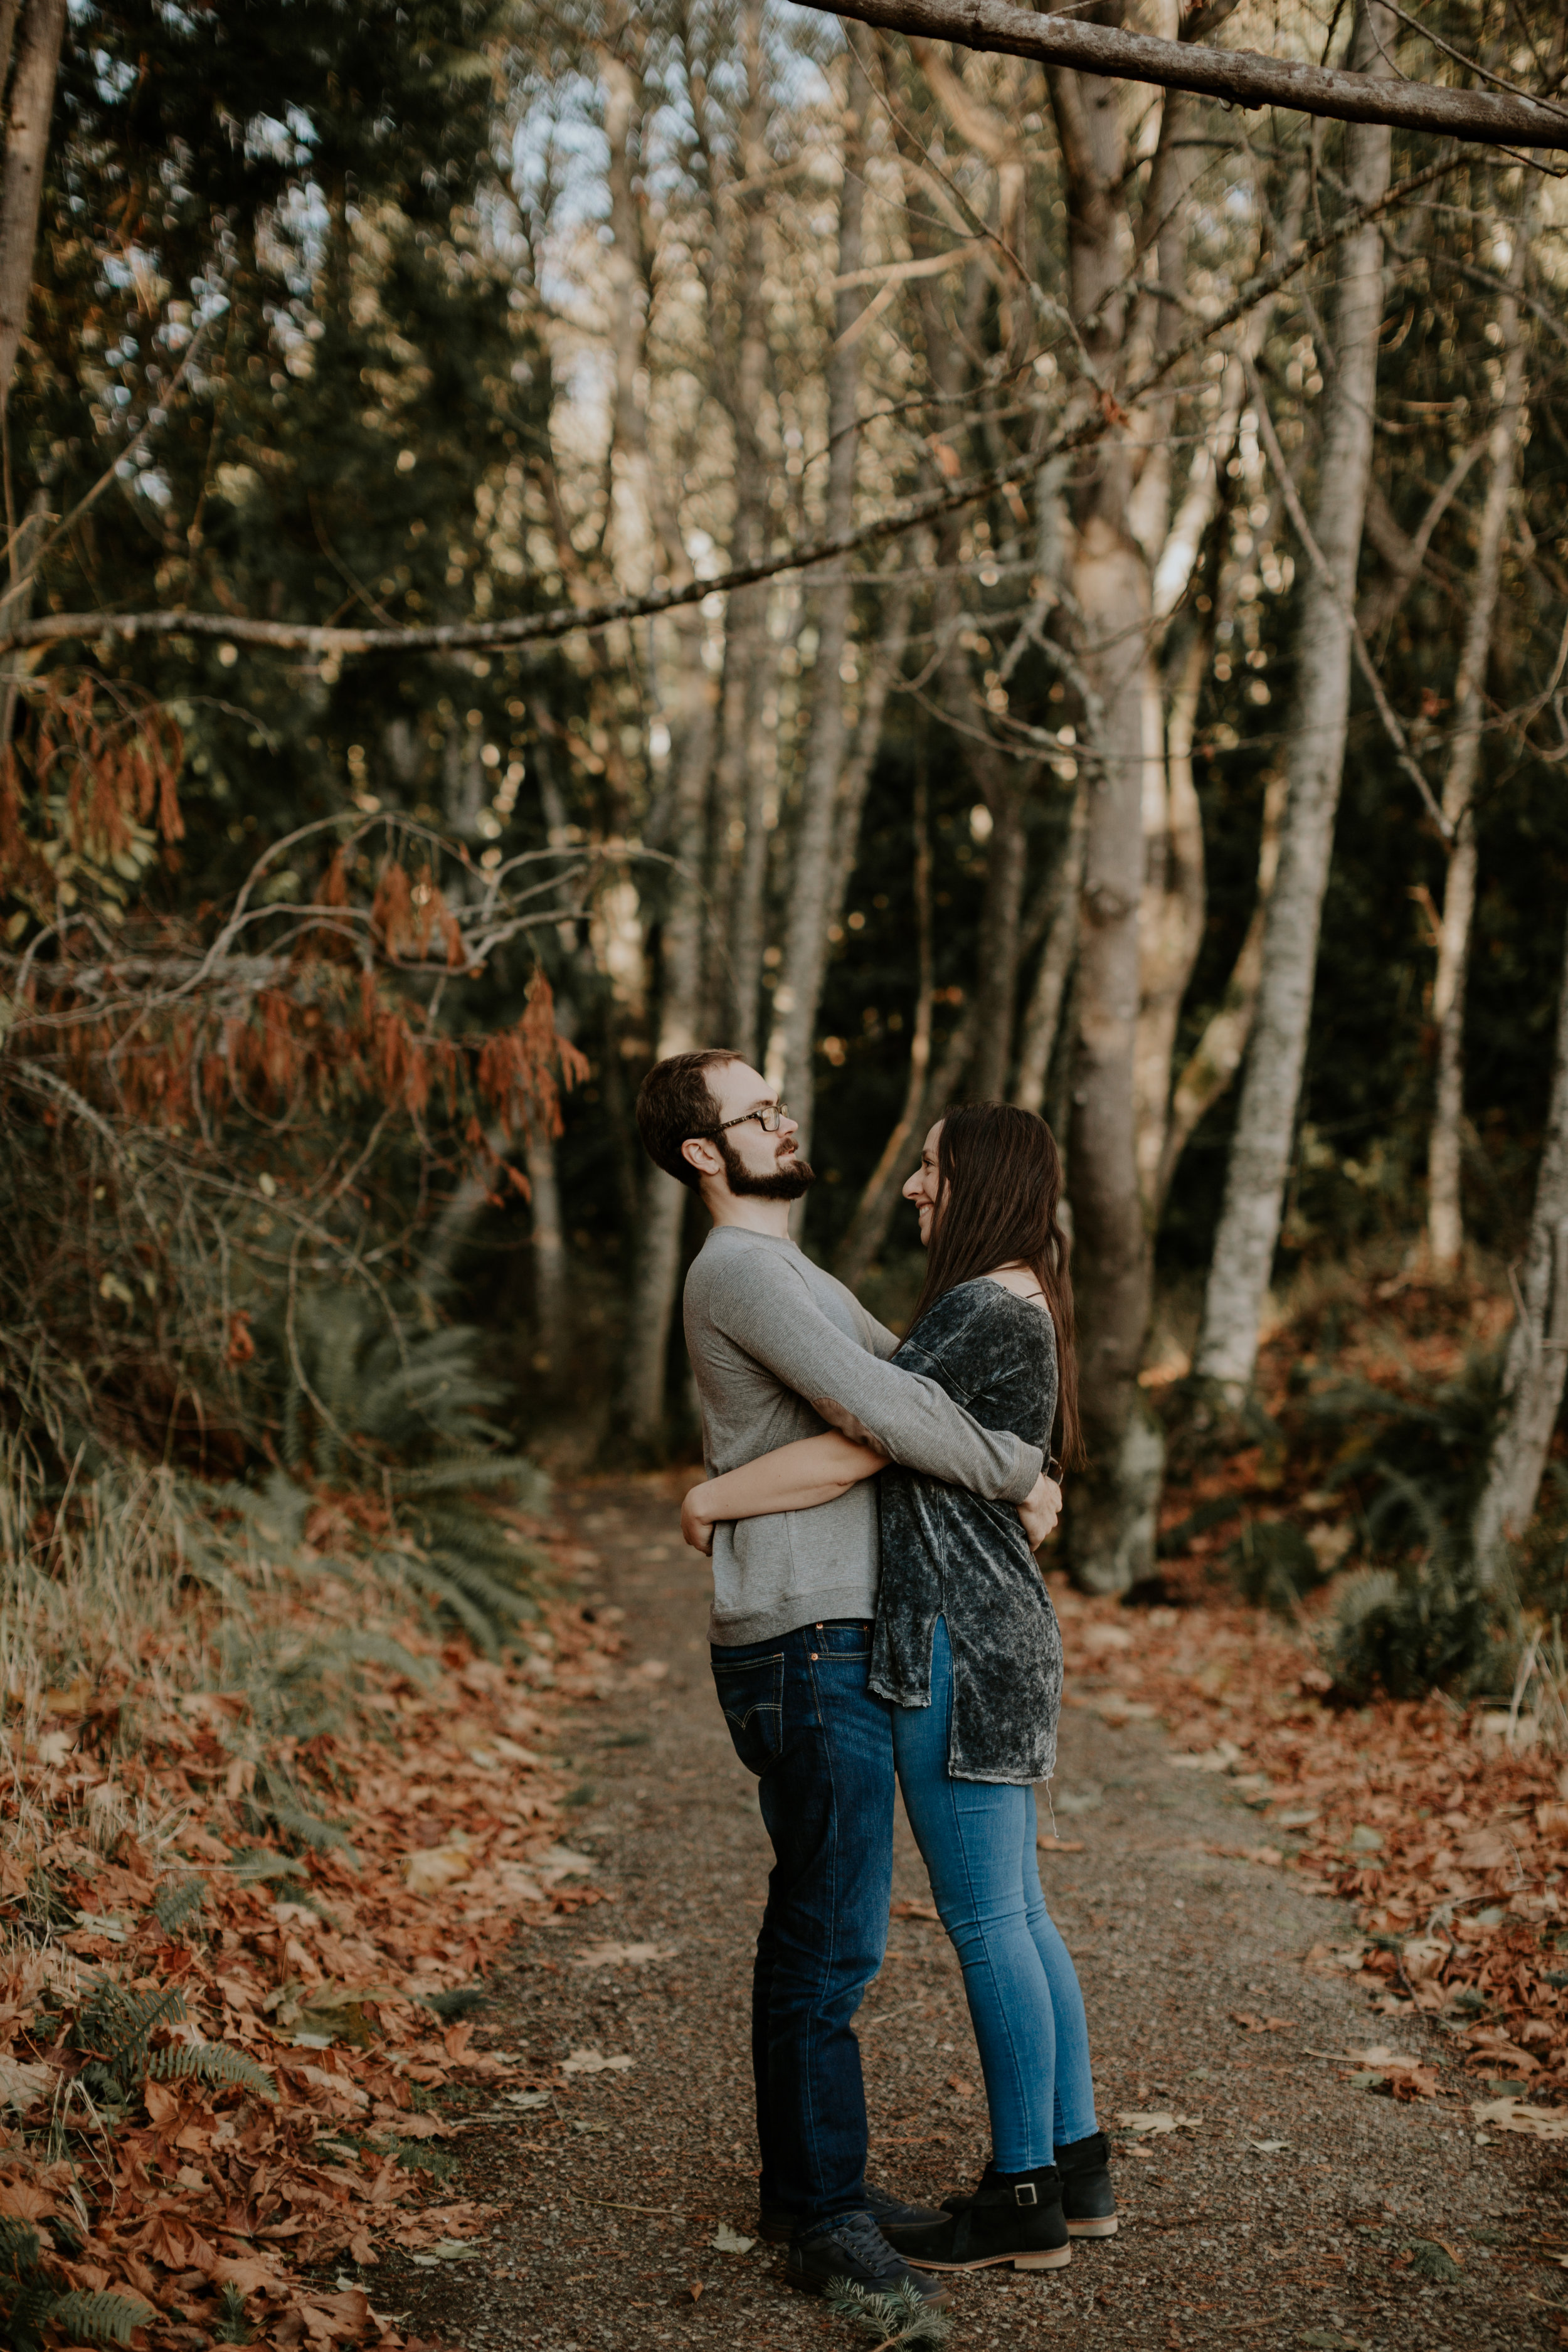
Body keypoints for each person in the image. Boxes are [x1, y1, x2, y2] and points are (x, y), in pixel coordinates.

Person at [634, 1051, 1062, 2312]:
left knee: (837, 1926)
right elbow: (887, 1412)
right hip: (801, 1634)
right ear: (703, 1155)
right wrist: (1010, 1461)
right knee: (828, 1936)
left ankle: (813, 2184)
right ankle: (823, 2218)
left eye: (778, 1100)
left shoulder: (793, 1270)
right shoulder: (739, 1271)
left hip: (834, 1625)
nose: (784, 1118)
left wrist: (980, 1433)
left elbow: (908, 1392)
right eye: (754, 1113)